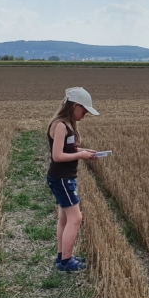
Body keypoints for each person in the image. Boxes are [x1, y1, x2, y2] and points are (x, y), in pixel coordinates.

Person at [47, 87, 99, 272]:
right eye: (84, 111)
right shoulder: (60, 125)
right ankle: (67, 262)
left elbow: (67, 150)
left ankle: (62, 257)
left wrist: (84, 150)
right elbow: (58, 156)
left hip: (64, 178)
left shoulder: (68, 125)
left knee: (64, 218)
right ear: (75, 106)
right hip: (61, 178)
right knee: (76, 218)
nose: (84, 115)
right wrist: (81, 155)